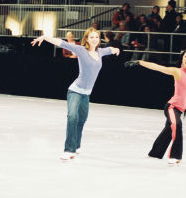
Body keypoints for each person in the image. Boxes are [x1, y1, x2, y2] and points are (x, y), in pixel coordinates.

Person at [31, 28, 120, 160]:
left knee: (81, 120)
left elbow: (112, 49)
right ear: (86, 39)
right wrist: (44, 37)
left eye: (96, 37)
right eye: (91, 37)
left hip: (86, 94)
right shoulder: (81, 50)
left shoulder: (101, 52)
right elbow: (62, 43)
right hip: (75, 91)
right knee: (72, 117)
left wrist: (115, 50)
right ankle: (68, 149)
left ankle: (76, 146)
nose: (94, 39)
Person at [124, 49, 186, 165]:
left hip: (180, 110)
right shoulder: (177, 72)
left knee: (168, 130)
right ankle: (175, 156)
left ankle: (155, 153)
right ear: (182, 59)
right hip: (172, 107)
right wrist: (139, 62)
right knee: (176, 125)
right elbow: (159, 67)